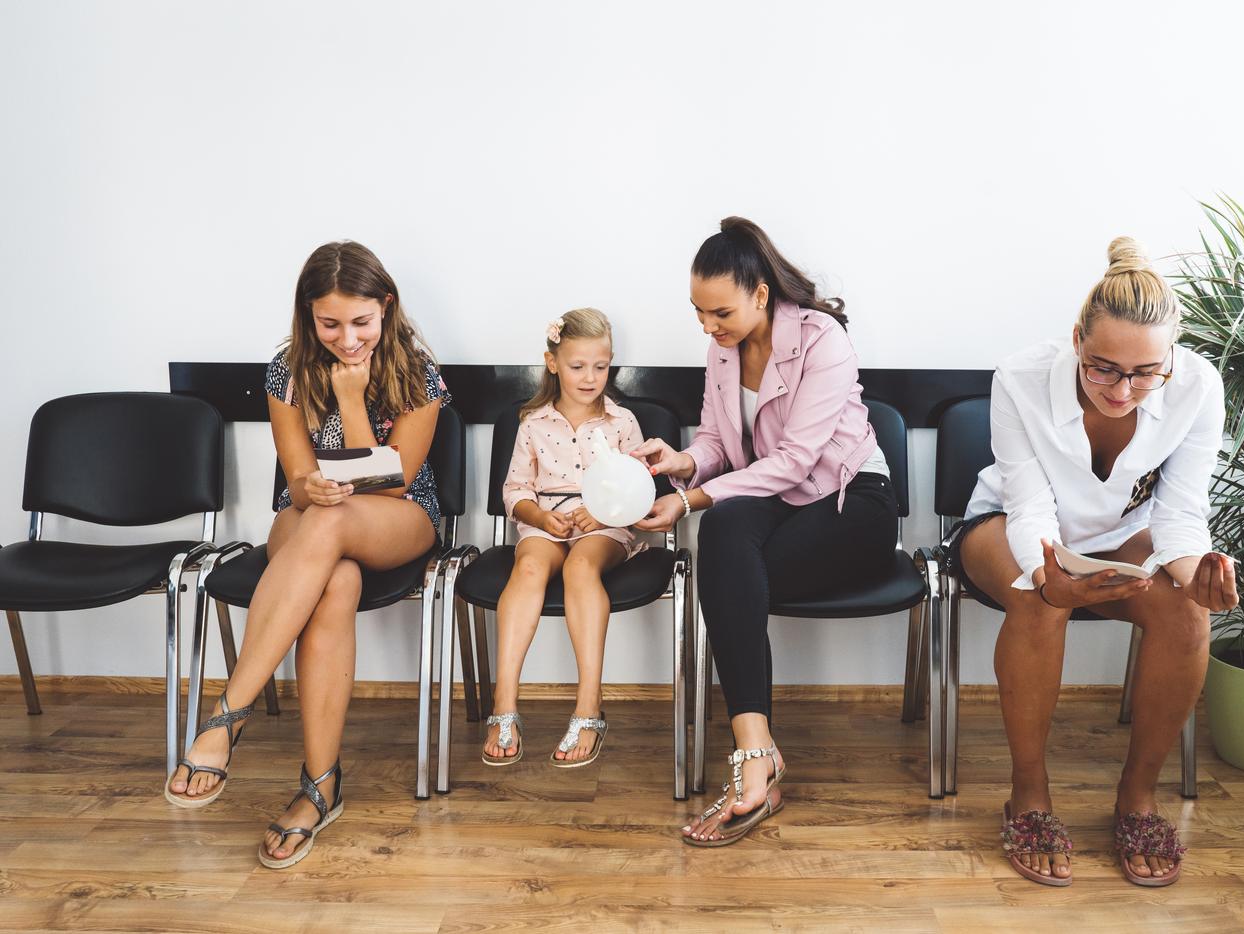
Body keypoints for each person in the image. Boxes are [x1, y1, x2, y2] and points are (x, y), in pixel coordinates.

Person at [951, 237, 1238, 887]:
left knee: (1188, 614)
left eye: (1145, 373)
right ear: (1078, 339)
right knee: (1035, 597)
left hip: (1126, 533)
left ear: (1172, 357)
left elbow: (1179, 516)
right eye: (1104, 368)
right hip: (1008, 522)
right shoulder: (1020, 377)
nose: (1124, 389)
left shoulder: (1197, 386)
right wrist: (1052, 575)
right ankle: (1029, 793)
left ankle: (1138, 797)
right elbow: (1028, 505)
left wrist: (1197, 574)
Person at [164, 241, 449, 870]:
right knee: (336, 575)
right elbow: (295, 478)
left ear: (387, 309)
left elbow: (392, 481)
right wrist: (309, 486)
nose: (347, 339)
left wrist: (351, 401)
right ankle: (320, 788)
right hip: (310, 520)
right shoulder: (286, 369)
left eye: (361, 322)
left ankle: (227, 715)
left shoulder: (418, 372)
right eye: (330, 324)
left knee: (338, 517)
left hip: (398, 519)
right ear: (307, 315)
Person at [633, 217, 898, 846]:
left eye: (718, 311)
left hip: (851, 499)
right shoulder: (721, 349)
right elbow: (720, 443)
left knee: (728, 570)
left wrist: (688, 500)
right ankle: (758, 751)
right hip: (774, 496)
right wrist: (680, 463)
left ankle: (756, 767)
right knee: (724, 537)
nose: (708, 326)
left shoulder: (821, 339)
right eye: (698, 312)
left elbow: (798, 462)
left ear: (760, 294)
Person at [481, 308, 647, 768]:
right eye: (578, 366)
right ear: (553, 363)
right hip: (546, 520)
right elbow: (516, 488)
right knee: (530, 564)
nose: (591, 377)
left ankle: (589, 706)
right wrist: (540, 516)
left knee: (580, 564)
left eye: (601, 365)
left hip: (604, 523)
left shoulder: (622, 422)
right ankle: (504, 704)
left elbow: (638, 489)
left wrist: (601, 512)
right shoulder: (533, 423)